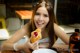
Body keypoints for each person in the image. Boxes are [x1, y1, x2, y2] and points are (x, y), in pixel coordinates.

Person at [1, 0, 69, 53]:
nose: (40, 19)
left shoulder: (53, 27)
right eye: (37, 14)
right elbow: (3, 46)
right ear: (33, 15)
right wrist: (22, 46)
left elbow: (75, 46)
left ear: (50, 18)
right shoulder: (28, 27)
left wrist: (49, 45)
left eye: (45, 15)